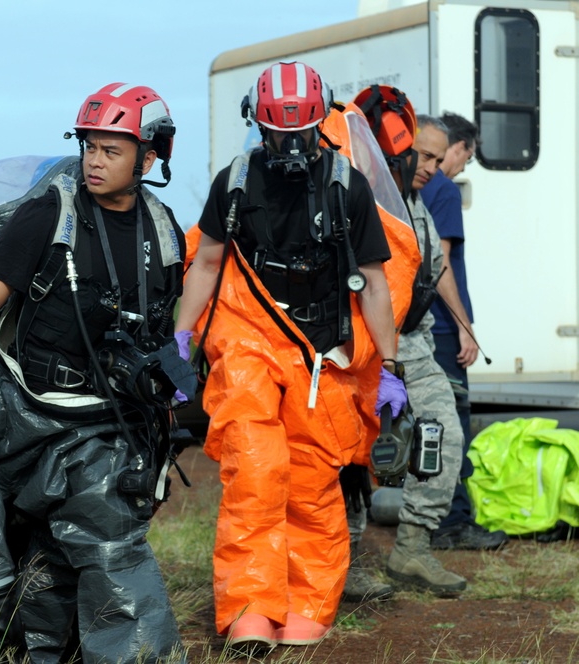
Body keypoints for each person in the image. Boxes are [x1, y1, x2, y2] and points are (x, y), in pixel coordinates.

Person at [0, 83, 188, 663]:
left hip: (110, 417)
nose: (94, 160)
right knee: (110, 538)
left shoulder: (163, 230)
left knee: (63, 549)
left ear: (149, 157)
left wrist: (179, 389)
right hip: (27, 412)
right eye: (89, 146)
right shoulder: (48, 217)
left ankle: (34, 647)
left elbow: (163, 328)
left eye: (112, 150)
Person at [175, 62, 406, 654]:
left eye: (301, 134)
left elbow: (375, 284)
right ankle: (251, 610)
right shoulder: (235, 183)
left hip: (321, 353)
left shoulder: (345, 185)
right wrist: (181, 337)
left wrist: (389, 366)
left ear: (318, 124)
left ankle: (306, 603)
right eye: (278, 134)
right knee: (253, 472)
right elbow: (205, 264)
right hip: (251, 335)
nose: (290, 147)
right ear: (259, 126)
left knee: (310, 482)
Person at [346, 87, 469, 598]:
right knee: (349, 454)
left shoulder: (417, 203)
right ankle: (345, 560)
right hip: (359, 347)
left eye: (440, 159)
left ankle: (412, 548)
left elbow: (434, 271)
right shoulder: (358, 196)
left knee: (445, 435)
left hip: (412, 343)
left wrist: (462, 322)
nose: (432, 167)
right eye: (423, 155)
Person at [420, 112, 508, 551]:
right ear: (458, 146)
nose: (454, 168)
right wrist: (465, 327)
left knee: (426, 425)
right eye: (462, 158)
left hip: (419, 326)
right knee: (454, 421)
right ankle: (453, 521)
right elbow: (440, 261)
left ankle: (431, 516)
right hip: (442, 329)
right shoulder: (444, 192)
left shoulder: (410, 188)